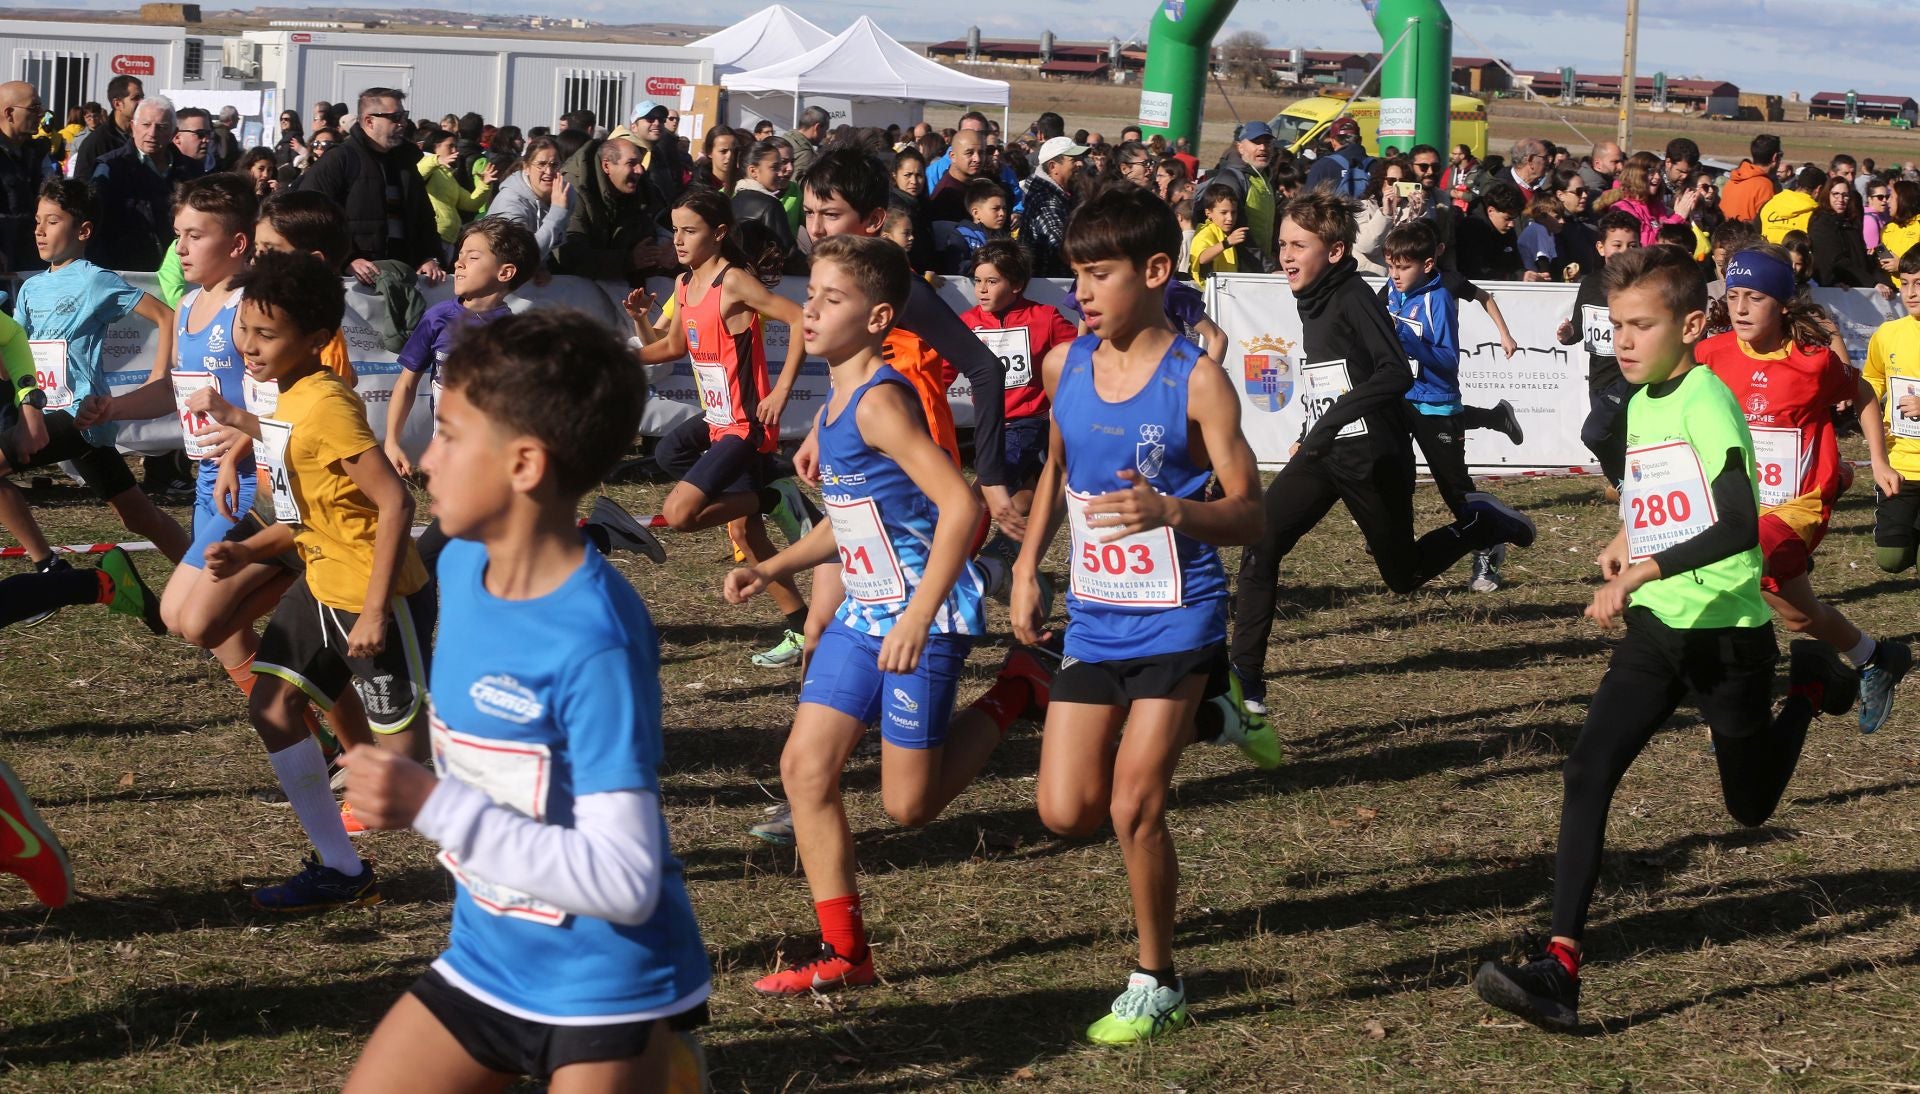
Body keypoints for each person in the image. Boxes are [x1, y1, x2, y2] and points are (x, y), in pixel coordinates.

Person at [1471, 244, 1858, 1032]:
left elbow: (1740, 523)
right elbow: (1657, 490)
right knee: (1587, 769)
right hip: (1656, 634)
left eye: (1640, 325)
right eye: (1615, 324)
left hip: (1727, 635)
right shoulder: (1640, 400)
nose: (1622, 339)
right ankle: (1561, 966)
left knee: (1748, 808)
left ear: (1689, 324)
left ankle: (1812, 686)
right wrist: (1624, 531)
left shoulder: (1706, 400)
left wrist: (1638, 571)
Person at [337, 310, 710, 1092]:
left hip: (602, 990)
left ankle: (669, 1059)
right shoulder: (460, 568)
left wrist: (433, 806)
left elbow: (623, 877)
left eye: (449, 434)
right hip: (486, 960)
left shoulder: (595, 637)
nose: (423, 458)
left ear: (525, 464)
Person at [728, 232, 1033, 994]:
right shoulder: (837, 396)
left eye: (834, 300)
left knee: (909, 805)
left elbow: (963, 507)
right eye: (812, 296)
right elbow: (853, 518)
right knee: (803, 769)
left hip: (917, 616)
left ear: (879, 317)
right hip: (867, 614)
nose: (811, 311)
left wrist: (917, 617)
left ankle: (1021, 688)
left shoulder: (882, 401)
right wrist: (770, 566)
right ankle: (846, 955)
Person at [1008, 185, 1277, 1044]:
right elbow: (1055, 469)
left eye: (1098, 274)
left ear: (1157, 271)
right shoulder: (1065, 367)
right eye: (1074, 275)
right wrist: (1024, 566)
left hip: (1178, 616)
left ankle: (1157, 978)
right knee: (1063, 810)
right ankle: (1214, 712)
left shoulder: (1197, 383)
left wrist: (1173, 513)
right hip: (1095, 617)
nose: (1079, 292)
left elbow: (1252, 515)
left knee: (1133, 807)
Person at [1227, 191, 1536, 715]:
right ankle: (1246, 680)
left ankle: (1481, 524)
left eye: (1298, 244)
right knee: (1261, 543)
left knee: (1403, 574)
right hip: (1326, 452)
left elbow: (1394, 371)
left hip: (1374, 456)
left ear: (1335, 251)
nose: (1285, 255)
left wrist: (1332, 419)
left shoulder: (1350, 297)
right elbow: (1339, 376)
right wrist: (1318, 427)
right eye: (1281, 244)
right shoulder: (1315, 297)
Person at [202, 250, 430, 912]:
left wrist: (376, 613)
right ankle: (341, 869)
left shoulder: (325, 405)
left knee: (405, 776)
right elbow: (310, 517)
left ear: (314, 339)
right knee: (271, 707)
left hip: (370, 597)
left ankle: (524, 868)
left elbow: (395, 503)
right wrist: (248, 556)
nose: (249, 345)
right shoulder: (288, 399)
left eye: (266, 335)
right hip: (318, 586)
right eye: (246, 328)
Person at [1700, 244, 1911, 731]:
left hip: (1797, 505)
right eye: (1733, 296)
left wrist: (1878, 460)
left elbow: (1862, 392)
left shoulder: (1812, 363)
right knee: (1797, 616)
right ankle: (1875, 656)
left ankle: (1732, 704)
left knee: (1733, 561)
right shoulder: (1710, 355)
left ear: (1783, 304)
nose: (1742, 308)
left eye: (1755, 296)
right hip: (1739, 502)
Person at [634, 189, 813, 669]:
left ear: (718, 233)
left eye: (689, 230)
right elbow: (671, 346)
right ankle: (799, 627)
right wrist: (625, 345)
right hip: (717, 420)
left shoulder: (733, 282)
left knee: (681, 514)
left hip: (746, 423)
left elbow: (798, 319)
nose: (678, 239)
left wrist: (780, 392)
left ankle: (774, 497)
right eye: (674, 229)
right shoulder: (684, 283)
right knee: (677, 460)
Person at [0, 179, 188, 597]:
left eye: (53, 221)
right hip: (59, 418)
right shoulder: (30, 287)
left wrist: (159, 378)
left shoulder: (96, 281)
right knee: (138, 516)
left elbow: (166, 317)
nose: (40, 230)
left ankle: (50, 567)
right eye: (36, 221)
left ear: (83, 231)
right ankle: (210, 579)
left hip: (78, 415)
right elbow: (15, 358)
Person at [1382, 219, 1528, 593]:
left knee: (1455, 492)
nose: (1395, 275)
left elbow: (1447, 361)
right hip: (1402, 399)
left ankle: (1489, 545)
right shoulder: (1393, 289)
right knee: (1390, 470)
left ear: (1429, 263)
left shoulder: (1439, 297)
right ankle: (1387, 539)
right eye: (1391, 266)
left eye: (1403, 267)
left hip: (1435, 403)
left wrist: (1403, 340)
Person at [385, 217, 535, 480]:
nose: (459, 263)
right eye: (459, 255)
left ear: (505, 273)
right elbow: (406, 384)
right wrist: (392, 442)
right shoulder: (436, 317)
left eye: (473, 257)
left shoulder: (514, 334)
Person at [959, 239, 1077, 526]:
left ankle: (966, 565)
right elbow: (944, 371)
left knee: (979, 495)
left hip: (1028, 424)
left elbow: (1079, 356)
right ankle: (1007, 559)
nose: (981, 290)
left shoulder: (1045, 317)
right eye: (977, 281)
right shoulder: (966, 322)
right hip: (988, 425)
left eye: (991, 281)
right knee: (1021, 502)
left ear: (1016, 284)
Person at [295, 88, 446, 285]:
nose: (403, 123)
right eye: (395, 117)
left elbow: (424, 217)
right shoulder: (340, 159)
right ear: (369, 121)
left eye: (404, 116)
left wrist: (430, 257)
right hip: (354, 283)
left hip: (404, 276)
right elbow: (307, 215)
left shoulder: (405, 163)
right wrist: (346, 259)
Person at [1559, 210, 1643, 486]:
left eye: (1632, 245)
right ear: (1601, 247)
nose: (1623, 252)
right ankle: (1627, 490)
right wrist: (1569, 333)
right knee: (1612, 438)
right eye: (1616, 245)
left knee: (1593, 433)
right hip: (1599, 379)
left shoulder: (1643, 287)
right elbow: (1578, 329)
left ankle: (1628, 486)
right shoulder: (1591, 284)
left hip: (1630, 378)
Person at [89, 96, 202, 272]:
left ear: (174, 133)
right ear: (133, 127)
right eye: (146, 125)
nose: (152, 133)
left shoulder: (192, 170)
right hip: (125, 270)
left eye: (162, 127)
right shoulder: (111, 167)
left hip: (178, 270)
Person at [554, 135, 675, 285]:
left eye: (640, 163)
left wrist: (657, 255)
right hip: (570, 285)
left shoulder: (640, 190)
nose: (639, 170)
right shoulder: (573, 191)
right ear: (606, 166)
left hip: (617, 280)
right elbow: (571, 254)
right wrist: (628, 260)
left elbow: (644, 237)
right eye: (631, 163)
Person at [482, 133, 573, 265]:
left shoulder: (565, 194)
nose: (548, 171)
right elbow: (520, 258)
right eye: (541, 164)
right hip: (494, 274)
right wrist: (557, 213)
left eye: (554, 165)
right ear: (526, 167)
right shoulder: (510, 201)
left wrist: (541, 268)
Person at [0, 81, 52, 274]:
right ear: (9, 113)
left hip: (31, 263)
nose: (41, 114)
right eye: (34, 108)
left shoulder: (37, 153)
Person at [418, 129, 499, 252]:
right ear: (435, 146)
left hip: (449, 237)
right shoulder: (424, 163)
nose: (455, 150)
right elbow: (417, 173)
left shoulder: (447, 175)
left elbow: (471, 203)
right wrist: (436, 160)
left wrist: (484, 184)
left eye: (455, 146)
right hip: (431, 235)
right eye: (450, 146)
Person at [1022, 135, 1086, 279]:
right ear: (1052, 167)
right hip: (1050, 284)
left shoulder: (1066, 194)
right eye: (1073, 160)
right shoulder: (1045, 199)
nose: (1080, 164)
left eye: (1080, 159)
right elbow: (1059, 242)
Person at [1809, 175, 1883, 289]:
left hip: (1860, 282)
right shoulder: (1821, 221)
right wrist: (1873, 283)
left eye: (1845, 195)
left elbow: (1864, 251)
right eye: (1836, 194)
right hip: (1839, 285)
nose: (1841, 199)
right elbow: (1834, 258)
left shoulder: (1852, 220)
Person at [732, 138, 798, 264]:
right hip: (763, 281)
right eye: (774, 167)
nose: (780, 173)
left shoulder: (731, 202)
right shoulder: (771, 205)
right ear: (753, 171)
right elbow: (787, 255)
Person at [70, 74, 142, 182]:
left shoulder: (146, 135)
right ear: (117, 104)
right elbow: (82, 186)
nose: (142, 102)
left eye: (142, 97)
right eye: (136, 98)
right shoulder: (96, 142)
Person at [1455, 181, 1530, 281]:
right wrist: (1515, 277)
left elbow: (1516, 264)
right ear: (1491, 211)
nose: (1511, 224)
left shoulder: (1506, 230)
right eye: (1507, 218)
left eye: (1514, 219)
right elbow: (1476, 271)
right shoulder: (1471, 229)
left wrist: (1525, 275)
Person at [1188, 181, 1246, 287]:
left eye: (1233, 212)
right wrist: (1226, 243)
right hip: (1208, 295)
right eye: (1223, 213)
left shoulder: (1228, 234)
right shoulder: (1205, 233)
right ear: (1208, 213)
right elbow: (1202, 258)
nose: (1230, 218)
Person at [1760, 166, 1824, 244]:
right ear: (1819, 189)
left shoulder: (1768, 204)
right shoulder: (1816, 214)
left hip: (1766, 253)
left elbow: (1755, 235)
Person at [782, 105, 829, 181]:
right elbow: (798, 187)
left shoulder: (786, 138)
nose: (825, 135)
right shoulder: (805, 153)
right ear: (817, 127)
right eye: (825, 129)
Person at [690, 124, 741, 195]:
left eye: (734, 151)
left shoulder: (744, 183)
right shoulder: (698, 187)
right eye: (723, 151)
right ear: (709, 152)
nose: (730, 156)